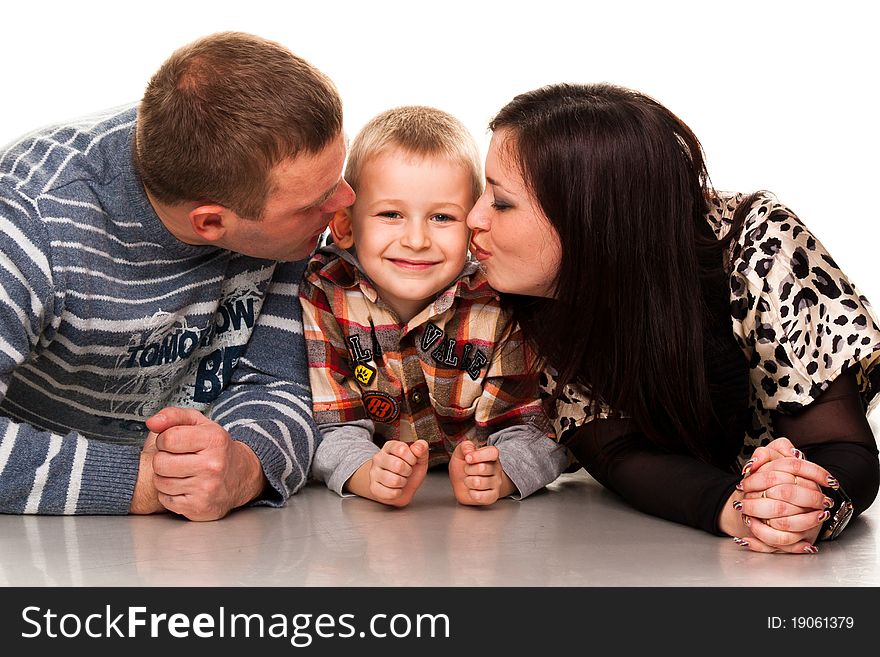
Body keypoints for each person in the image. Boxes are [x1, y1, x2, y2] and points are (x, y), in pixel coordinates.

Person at [466, 83, 880, 553]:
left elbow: (844, 446)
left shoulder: (758, 246)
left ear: (590, 216)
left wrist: (809, 506)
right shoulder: (530, 289)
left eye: (500, 201)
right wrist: (737, 509)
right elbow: (614, 450)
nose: (473, 217)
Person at [0, 31, 355, 520]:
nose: (347, 202)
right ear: (210, 222)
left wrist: (245, 467)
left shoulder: (280, 204)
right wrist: (145, 484)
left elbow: (282, 382)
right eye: (319, 202)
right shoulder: (27, 221)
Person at [299, 106, 567, 507]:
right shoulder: (325, 291)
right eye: (392, 214)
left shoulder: (497, 298)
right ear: (345, 225)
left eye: (442, 217)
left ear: (472, 223)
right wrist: (367, 473)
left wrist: (503, 472)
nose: (417, 240)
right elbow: (332, 424)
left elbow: (536, 425)